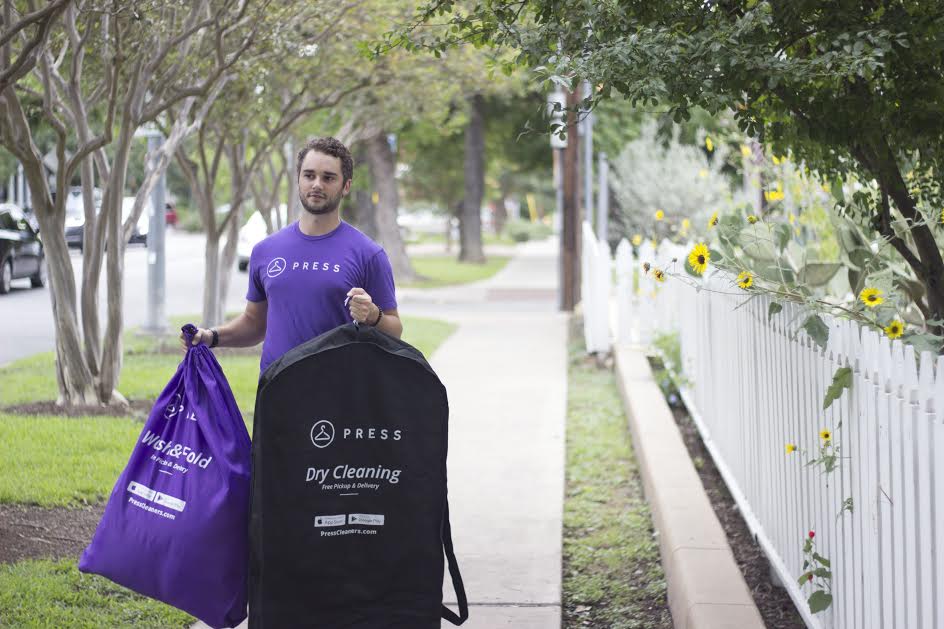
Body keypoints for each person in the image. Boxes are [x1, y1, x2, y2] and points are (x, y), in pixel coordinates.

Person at [182, 136, 402, 367]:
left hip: (338, 396)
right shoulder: (265, 251)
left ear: (346, 186)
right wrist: (210, 337)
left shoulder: (368, 254)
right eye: (309, 175)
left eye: (328, 178)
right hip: (275, 392)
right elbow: (255, 324)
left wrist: (373, 316)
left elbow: (395, 331)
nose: (317, 184)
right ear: (298, 180)